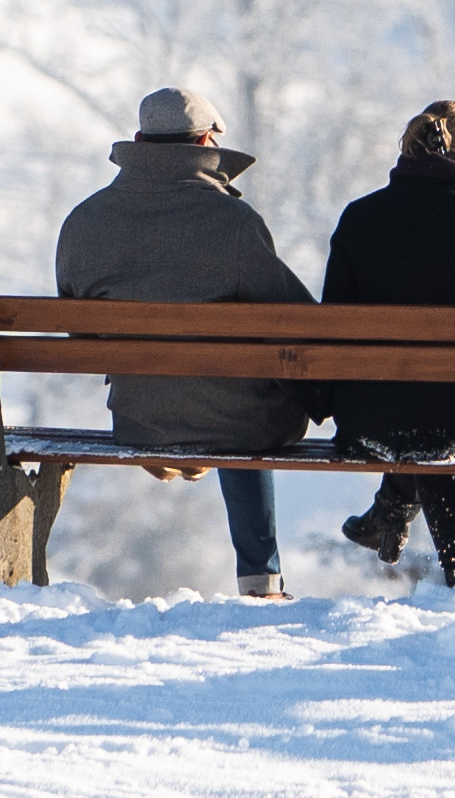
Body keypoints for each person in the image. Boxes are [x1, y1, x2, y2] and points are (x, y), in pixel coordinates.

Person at [50, 83, 310, 597]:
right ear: (207, 144)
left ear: (139, 142)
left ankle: (176, 446)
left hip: (139, 416)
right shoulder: (234, 221)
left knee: (191, 392)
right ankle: (262, 578)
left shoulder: (86, 220)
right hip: (237, 421)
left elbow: (78, 331)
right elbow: (296, 321)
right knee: (245, 408)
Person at [320, 96, 455, 583]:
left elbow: (330, 326)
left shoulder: (358, 218)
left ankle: (392, 512)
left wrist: (323, 405)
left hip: (369, 421)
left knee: (422, 411)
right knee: (443, 415)